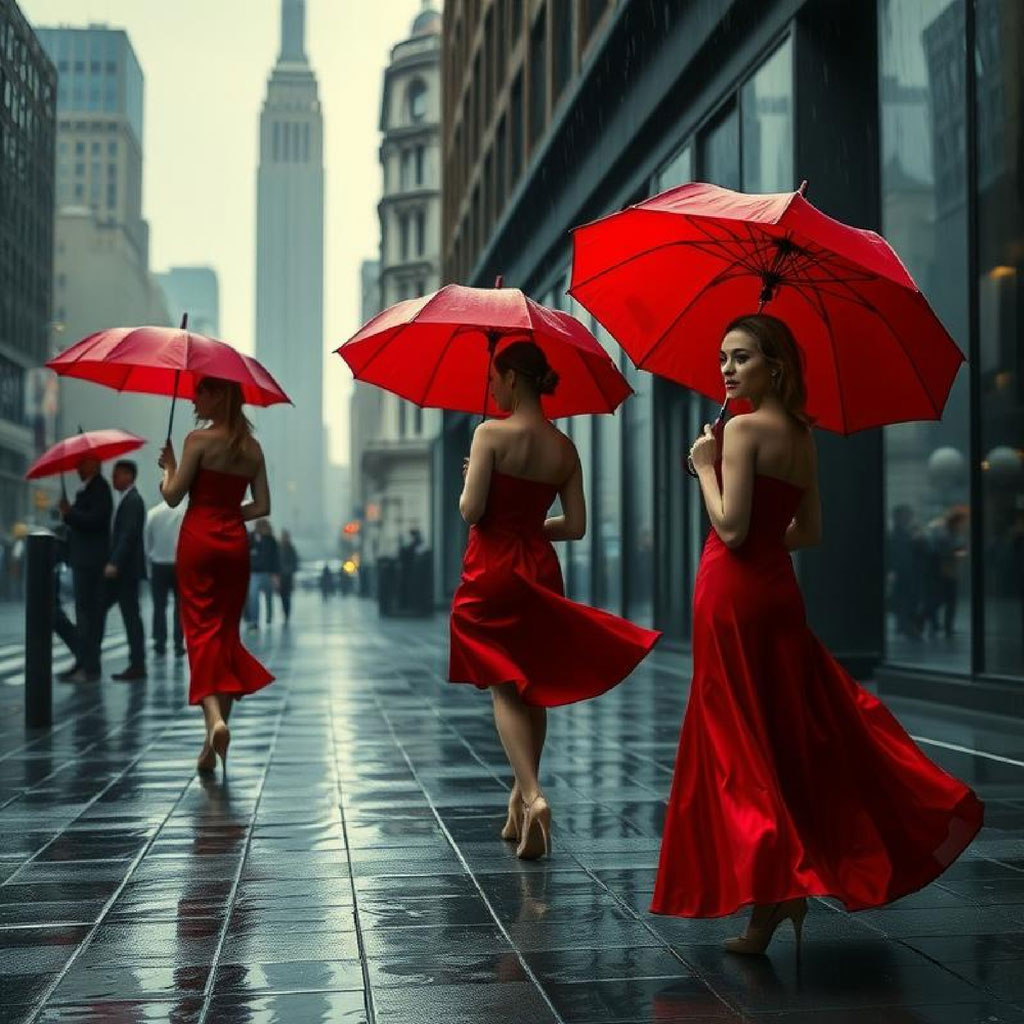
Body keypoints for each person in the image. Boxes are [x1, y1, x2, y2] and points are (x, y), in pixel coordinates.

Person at [650, 313, 983, 953]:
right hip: (777, 593)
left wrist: (705, 467)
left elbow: (732, 530)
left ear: (774, 366)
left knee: (740, 740)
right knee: (780, 732)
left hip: (733, 594)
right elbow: (807, 532)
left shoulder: (740, 430)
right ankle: (776, 901)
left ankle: (774, 893)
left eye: (741, 357)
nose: (726, 368)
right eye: (723, 357)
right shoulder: (803, 435)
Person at [450, 340, 661, 861]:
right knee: (533, 687)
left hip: (493, 571)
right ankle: (520, 799)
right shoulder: (565, 448)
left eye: (493, 379)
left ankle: (536, 797)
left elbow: (472, 511)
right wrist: (529, 525)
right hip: (541, 568)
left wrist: (468, 483)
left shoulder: (488, 435)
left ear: (513, 378)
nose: (490, 388)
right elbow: (578, 526)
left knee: (504, 685)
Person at [158, 375, 274, 774]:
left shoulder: (197, 441)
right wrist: (228, 514)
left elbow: (173, 495)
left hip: (198, 541)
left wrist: (168, 468)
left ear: (218, 394)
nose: (194, 401)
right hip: (233, 546)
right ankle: (209, 750)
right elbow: (261, 507)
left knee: (200, 634)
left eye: (200, 394)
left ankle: (215, 722)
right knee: (224, 635)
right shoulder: (252, 448)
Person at [58, 456, 113, 683]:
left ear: (95, 465)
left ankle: (89, 666)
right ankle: (84, 662)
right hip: (83, 561)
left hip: (92, 563)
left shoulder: (100, 488)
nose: (77, 468)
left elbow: (95, 520)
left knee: (90, 616)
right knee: (84, 616)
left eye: (82, 464)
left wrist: (70, 512)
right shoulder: (87, 490)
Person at [103, 460, 147, 680]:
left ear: (129, 476)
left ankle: (137, 664)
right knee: (127, 615)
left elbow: (128, 536)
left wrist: (115, 563)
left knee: (131, 616)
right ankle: (137, 664)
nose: (113, 479)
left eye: (117, 475)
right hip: (124, 570)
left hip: (125, 571)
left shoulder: (132, 501)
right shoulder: (127, 500)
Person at [145, 496, 187, 657]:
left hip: (158, 564)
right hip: (181, 564)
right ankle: (178, 643)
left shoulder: (153, 514)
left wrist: (149, 564)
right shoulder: (186, 513)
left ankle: (159, 642)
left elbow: (147, 543)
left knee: (159, 606)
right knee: (180, 608)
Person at [245, 519, 279, 628]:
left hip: (265, 572)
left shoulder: (270, 540)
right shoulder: (252, 538)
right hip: (257, 573)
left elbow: (274, 558)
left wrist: (275, 574)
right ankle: (257, 620)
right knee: (256, 598)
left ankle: (266, 618)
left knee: (265, 597)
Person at [277, 529, 298, 623]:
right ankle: (285, 612)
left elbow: (295, 562)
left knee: (287, 596)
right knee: (283, 596)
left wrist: (291, 571)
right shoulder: (278, 548)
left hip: (288, 576)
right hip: (281, 576)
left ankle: (287, 613)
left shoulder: (291, 548)